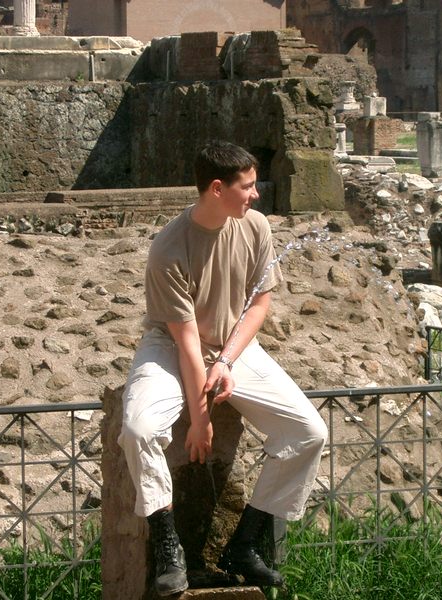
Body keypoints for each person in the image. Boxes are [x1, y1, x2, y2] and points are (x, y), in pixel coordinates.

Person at [117, 141, 328, 596]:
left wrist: (228, 360)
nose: (256, 194)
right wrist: (200, 420)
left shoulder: (255, 226)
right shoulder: (169, 249)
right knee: (138, 430)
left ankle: (245, 544)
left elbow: (259, 305)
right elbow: (187, 342)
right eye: (247, 186)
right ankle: (168, 546)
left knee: (309, 432)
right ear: (217, 188)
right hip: (171, 346)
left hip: (235, 345)